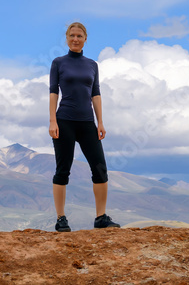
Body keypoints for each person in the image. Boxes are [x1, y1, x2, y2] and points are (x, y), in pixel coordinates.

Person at [48, 21, 120, 232]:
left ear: (85, 39)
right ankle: (61, 218)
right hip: (64, 121)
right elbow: (53, 92)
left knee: (100, 168)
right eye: (72, 35)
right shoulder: (58, 63)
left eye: (79, 36)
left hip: (87, 122)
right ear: (67, 38)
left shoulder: (92, 65)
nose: (75, 39)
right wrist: (52, 120)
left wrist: (100, 122)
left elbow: (95, 94)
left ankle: (101, 217)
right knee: (63, 170)